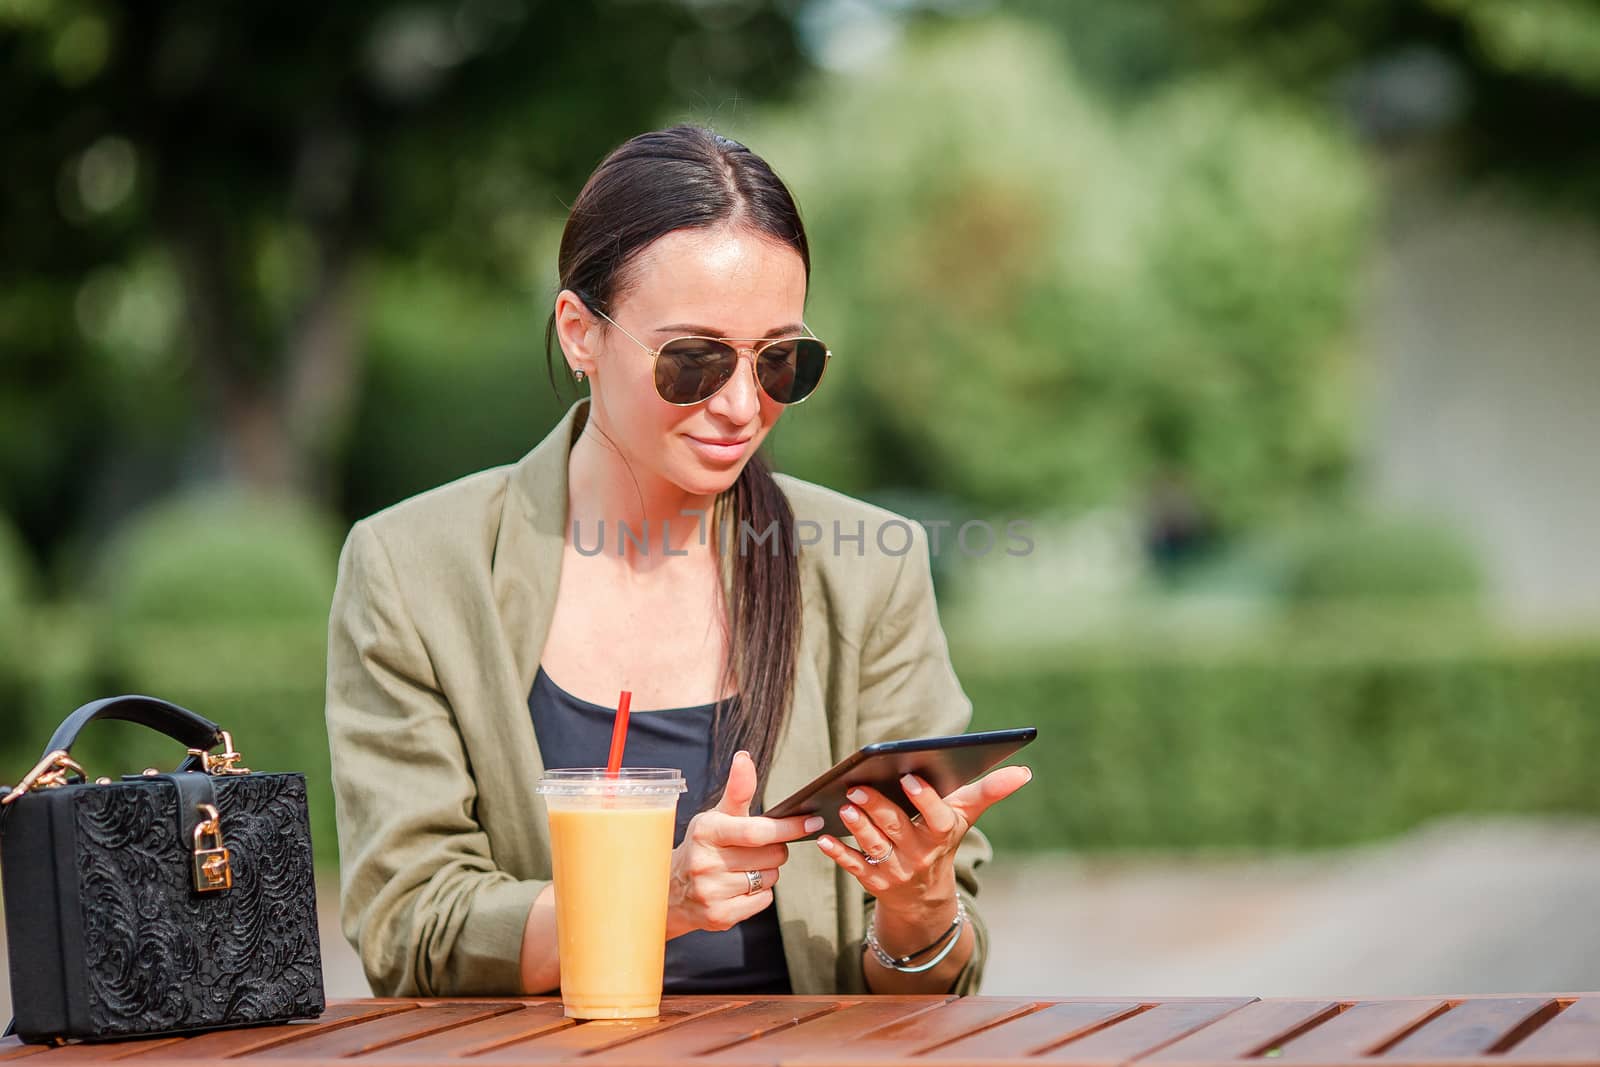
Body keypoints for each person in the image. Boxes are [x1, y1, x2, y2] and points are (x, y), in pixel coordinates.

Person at [324, 125, 1033, 999]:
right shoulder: (414, 567)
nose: (742, 404)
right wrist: (651, 898)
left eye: (783, 361)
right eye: (693, 359)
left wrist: (919, 905)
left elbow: (931, 987)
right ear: (580, 333)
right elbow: (410, 930)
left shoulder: (866, 568)